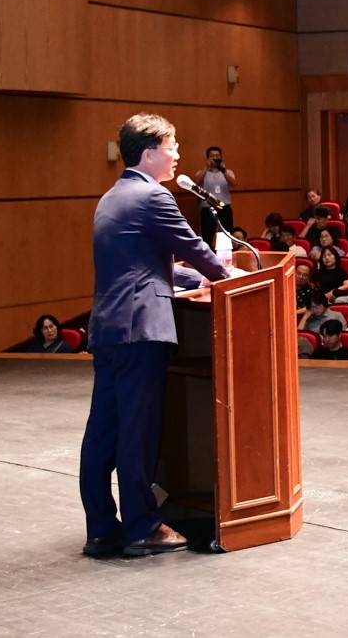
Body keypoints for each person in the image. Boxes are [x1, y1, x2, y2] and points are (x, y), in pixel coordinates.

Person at [82, 114, 234, 557]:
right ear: (149, 154)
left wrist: (194, 279)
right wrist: (227, 277)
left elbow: (147, 263)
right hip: (139, 330)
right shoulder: (153, 196)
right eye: (172, 146)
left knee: (103, 432)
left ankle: (101, 528)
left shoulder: (112, 196)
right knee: (138, 433)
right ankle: (142, 528)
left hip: (109, 328)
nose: (178, 154)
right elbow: (194, 247)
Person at [193, 145, 236, 246]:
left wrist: (223, 170)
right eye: (212, 156)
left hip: (224, 208)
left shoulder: (228, 172)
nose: (215, 158)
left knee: (227, 236)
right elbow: (196, 184)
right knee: (207, 237)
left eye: (217, 156)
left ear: (221, 157)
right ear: (207, 158)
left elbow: (234, 184)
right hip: (207, 208)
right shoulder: (202, 173)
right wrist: (206, 168)